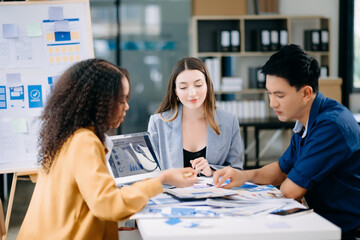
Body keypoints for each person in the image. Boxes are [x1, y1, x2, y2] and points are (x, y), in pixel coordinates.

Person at [17, 59, 197, 240]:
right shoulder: (85, 141)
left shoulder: (66, 136)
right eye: (121, 100)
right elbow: (109, 205)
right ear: (98, 102)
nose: (126, 107)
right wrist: (160, 180)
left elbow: (83, 207)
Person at [213, 44, 360, 240]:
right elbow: (282, 169)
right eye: (269, 94)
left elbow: (290, 191)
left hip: (347, 232)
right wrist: (242, 176)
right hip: (325, 223)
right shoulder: (306, 121)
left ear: (306, 93)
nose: (272, 103)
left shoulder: (330, 125)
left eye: (279, 95)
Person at [148, 57, 243, 176]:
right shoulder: (158, 123)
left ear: (207, 86)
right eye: (183, 87)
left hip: (214, 194)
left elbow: (237, 170)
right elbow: (151, 174)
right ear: (176, 91)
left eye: (198, 85)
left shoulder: (229, 121)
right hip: (171, 193)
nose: (192, 93)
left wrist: (212, 171)